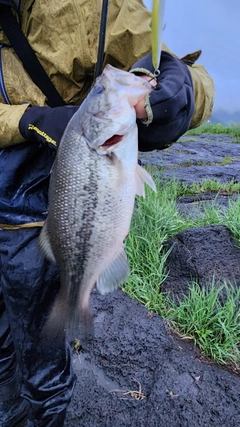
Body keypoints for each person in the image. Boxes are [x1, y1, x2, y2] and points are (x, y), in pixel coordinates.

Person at [0, 0, 215, 426]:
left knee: (41, 341)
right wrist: (28, 120)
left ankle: (46, 409)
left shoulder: (96, 6)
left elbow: (178, 70)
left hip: (39, 205)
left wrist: (184, 90)